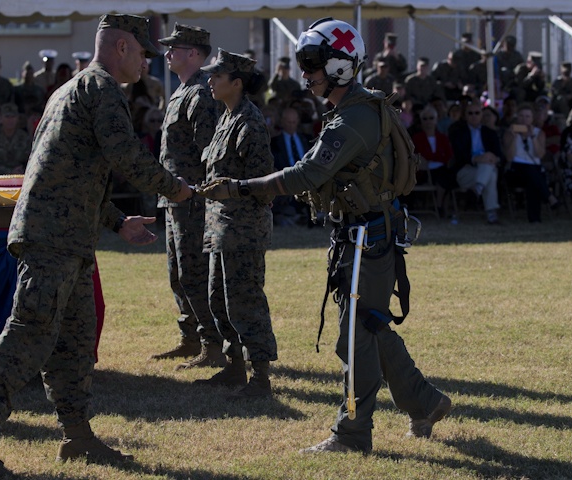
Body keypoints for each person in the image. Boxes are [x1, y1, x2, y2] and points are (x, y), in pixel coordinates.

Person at [0, 14, 193, 476]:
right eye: (141, 53)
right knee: (31, 330)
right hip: (53, 238)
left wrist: (117, 223)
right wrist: (178, 190)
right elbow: (125, 157)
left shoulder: (68, 91)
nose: (145, 63)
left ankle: (77, 436)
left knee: (74, 341)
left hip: (66, 235)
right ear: (120, 47)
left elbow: (71, 170)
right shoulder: (103, 91)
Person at [197, 18, 451, 452]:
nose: (305, 73)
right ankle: (424, 402)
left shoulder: (351, 119)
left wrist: (240, 188)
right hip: (366, 236)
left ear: (339, 66)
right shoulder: (355, 109)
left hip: (367, 238)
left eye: (313, 63)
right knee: (368, 327)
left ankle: (352, 433)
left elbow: (305, 174)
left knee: (356, 336)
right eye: (304, 63)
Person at [192, 48, 277, 399]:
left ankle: (260, 376)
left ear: (237, 83)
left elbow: (263, 184)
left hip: (243, 229)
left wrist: (232, 191)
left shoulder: (250, 122)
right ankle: (234, 365)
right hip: (220, 226)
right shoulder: (226, 116)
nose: (209, 81)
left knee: (245, 301)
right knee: (218, 300)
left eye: (217, 76)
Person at [147, 23, 225, 368]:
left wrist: (204, 195)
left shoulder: (200, 94)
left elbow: (210, 151)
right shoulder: (183, 90)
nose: (167, 53)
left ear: (193, 53)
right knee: (179, 273)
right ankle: (190, 337)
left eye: (174, 48)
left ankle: (212, 344)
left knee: (195, 273)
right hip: (175, 198)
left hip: (193, 199)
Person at [503, 103, 559, 222]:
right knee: (531, 173)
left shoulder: (539, 133)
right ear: (517, 118)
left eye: (527, 117)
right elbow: (509, 157)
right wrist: (514, 137)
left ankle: (534, 219)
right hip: (515, 169)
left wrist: (532, 137)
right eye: (521, 116)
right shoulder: (510, 132)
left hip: (534, 169)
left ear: (532, 119)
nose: (524, 119)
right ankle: (549, 197)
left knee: (532, 177)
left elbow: (540, 155)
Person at [448, 101, 503, 224]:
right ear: (465, 115)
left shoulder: (490, 133)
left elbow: (500, 156)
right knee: (490, 172)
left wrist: (492, 158)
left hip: (483, 171)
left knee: (489, 168)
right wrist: (476, 158)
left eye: (477, 113)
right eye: (470, 113)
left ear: (481, 114)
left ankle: (477, 189)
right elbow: (458, 156)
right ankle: (491, 214)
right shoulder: (458, 133)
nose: (474, 115)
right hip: (465, 171)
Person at [411, 105, 454, 217]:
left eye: (431, 118)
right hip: (423, 172)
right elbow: (416, 156)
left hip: (440, 170)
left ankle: (440, 206)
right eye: (425, 119)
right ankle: (440, 207)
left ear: (436, 120)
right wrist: (436, 157)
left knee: (445, 175)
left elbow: (448, 156)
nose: (428, 121)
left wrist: (431, 158)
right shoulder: (416, 138)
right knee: (444, 176)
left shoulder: (443, 138)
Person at [271, 107, 311, 225]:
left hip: (306, 182)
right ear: (282, 121)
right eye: (288, 122)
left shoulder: (307, 139)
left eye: (294, 122)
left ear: (298, 121)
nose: (291, 125)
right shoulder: (274, 143)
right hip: (286, 183)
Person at [0, 103, 31, 175]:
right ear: (0, 118)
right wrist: (10, 171)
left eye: (13, 117)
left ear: (17, 119)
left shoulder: (25, 138)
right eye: (7, 117)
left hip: (20, 172)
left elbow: (29, 159)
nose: (10, 120)